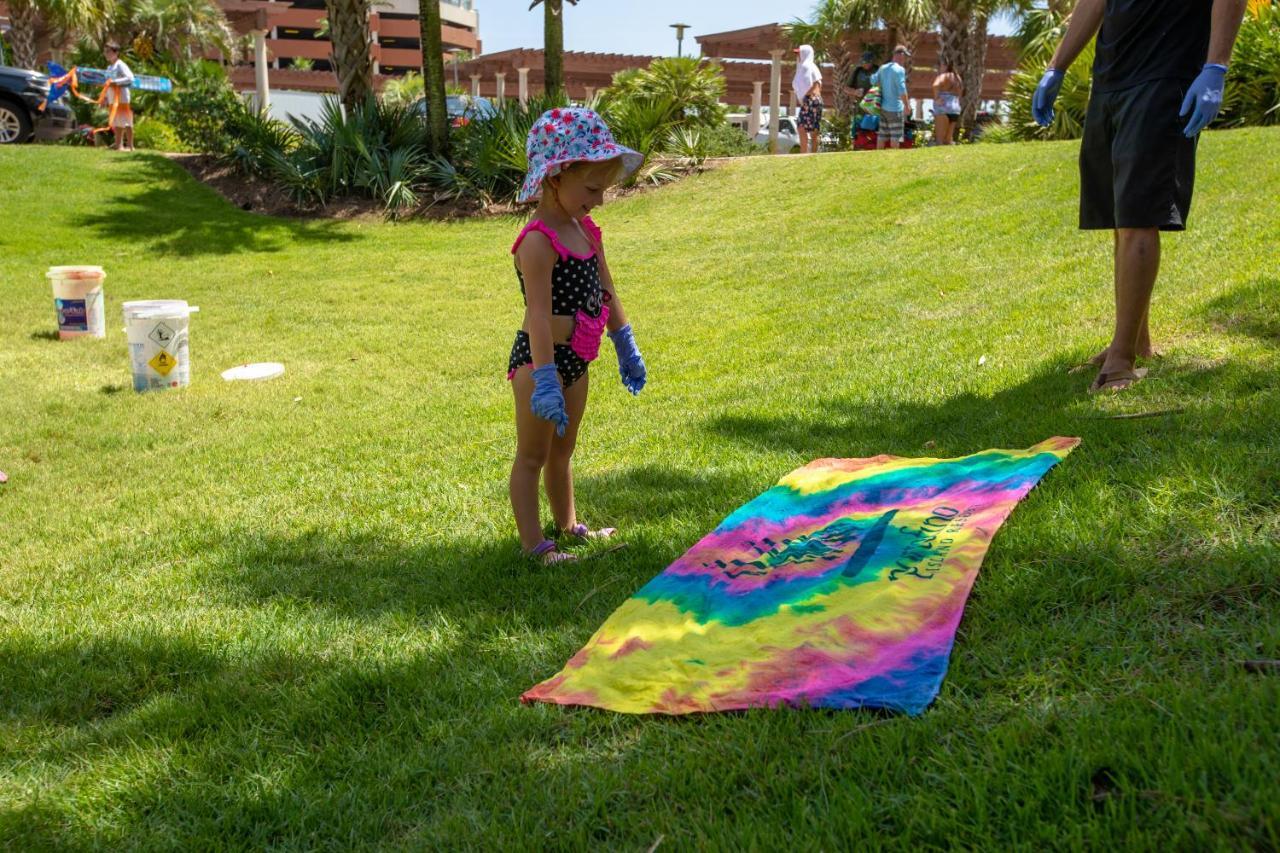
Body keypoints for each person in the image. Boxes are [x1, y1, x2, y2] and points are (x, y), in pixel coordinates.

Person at [1032, 0, 1248, 393]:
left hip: (1166, 75)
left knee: (1137, 216)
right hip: (1112, 78)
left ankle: (1121, 362)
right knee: (1119, 216)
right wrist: (1056, 67)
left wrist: (1216, 67)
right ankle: (1134, 340)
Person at [508, 108, 647, 565]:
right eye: (591, 189)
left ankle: (568, 526)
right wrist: (546, 378)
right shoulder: (537, 241)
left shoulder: (586, 231)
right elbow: (540, 317)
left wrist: (624, 341)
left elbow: (607, 289)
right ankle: (536, 547)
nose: (599, 201)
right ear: (556, 177)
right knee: (532, 455)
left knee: (562, 453)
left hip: (578, 360)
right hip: (540, 361)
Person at [872, 45, 911, 150]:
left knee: (882, 135)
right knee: (896, 136)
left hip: (883, 107)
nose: (905, 59)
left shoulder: (882, 68)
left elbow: (872, 80)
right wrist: (907, 106)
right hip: (895, 108)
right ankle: (894, 162)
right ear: (901, 55)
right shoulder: (900, 70)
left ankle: (878, 158)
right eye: (905, 56)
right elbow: (902, 89)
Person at [101, 43, 134, 151]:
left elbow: (130, 78)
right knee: (116, 122)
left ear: (116, 53)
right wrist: (105, 98)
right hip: (112, 98)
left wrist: (115, 82)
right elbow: (107, 83)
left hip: (122, 97)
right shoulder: (109, 67)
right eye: (105, 52)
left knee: (126, 121)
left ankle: (130, 146)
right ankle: (118, 145)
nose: (106, 54)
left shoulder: (120, 64)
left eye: (109, 51)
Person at [793, 44, 823, 154]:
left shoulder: (806, 67)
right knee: (811, 130)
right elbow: (818, 83)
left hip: (810, 100)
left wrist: (805, 97)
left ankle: (805, 154)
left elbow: (811, 84)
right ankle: (810, 154)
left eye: (799, 53)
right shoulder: (810, 66)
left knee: (804, 128)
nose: (797, 56)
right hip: (814, 100)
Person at [932, 60, 962, 145]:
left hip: (943, 108)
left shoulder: (943, 76)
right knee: (948, 140)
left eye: (940, 66)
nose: (938, 68)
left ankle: (939, 157)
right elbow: (960, 93)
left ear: (945, 66)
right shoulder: (957, 77)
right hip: (955, 109)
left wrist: (937, 98)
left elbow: (935, 85)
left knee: (940, 140)